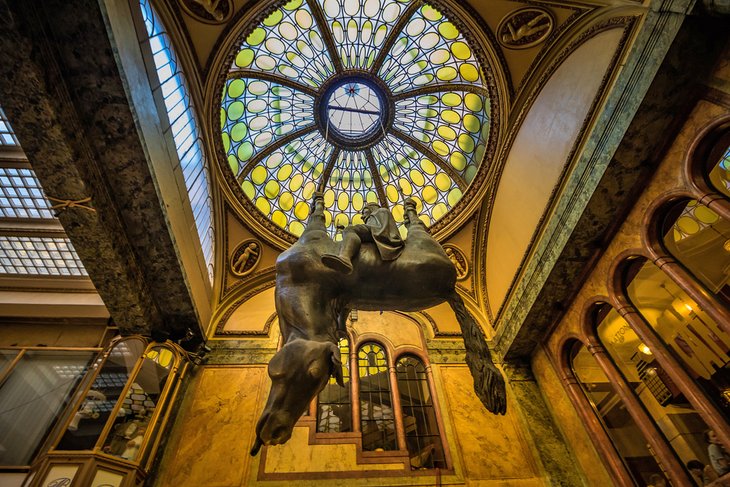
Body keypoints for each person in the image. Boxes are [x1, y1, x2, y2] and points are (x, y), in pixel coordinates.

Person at [321, 202, 404, 274]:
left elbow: (380, 229)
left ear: (372, 208)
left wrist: (350, 229)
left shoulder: (382, 211)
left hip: (380, 233)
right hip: (375, 231)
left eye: (364, 212)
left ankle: (345, 258)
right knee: (349, 230)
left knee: (350, 229)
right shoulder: (379, 214)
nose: (362, 216)